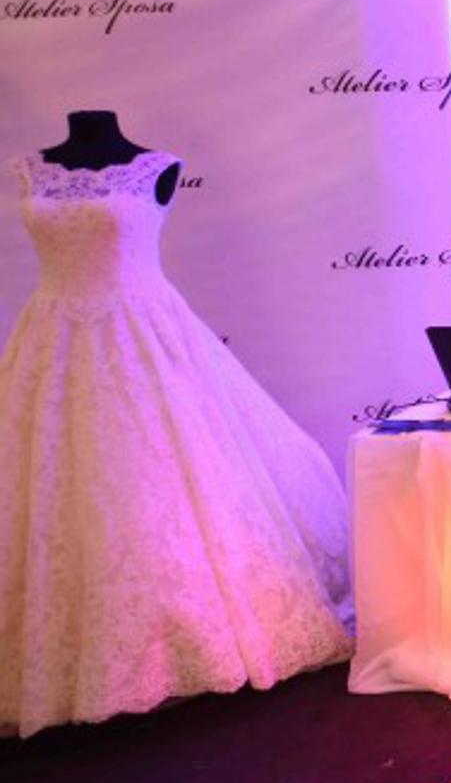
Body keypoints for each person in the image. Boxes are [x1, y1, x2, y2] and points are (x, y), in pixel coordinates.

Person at [1, 113, 353, 738]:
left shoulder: (156, 168)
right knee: (54, 487)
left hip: (143, 335)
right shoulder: (30, 169)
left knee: (153, 490)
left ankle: (181, 647)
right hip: (51, 342)